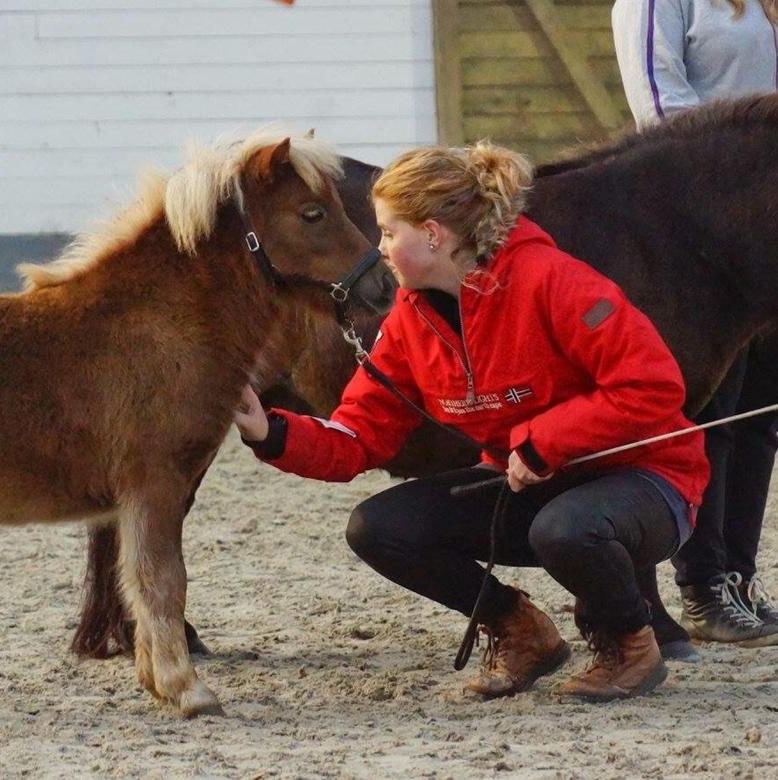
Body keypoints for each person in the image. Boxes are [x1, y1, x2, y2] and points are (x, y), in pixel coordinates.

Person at [233, 143, 710, 701]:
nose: (377, 248)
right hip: (534, 486)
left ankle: (630, 646)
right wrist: (269, 430)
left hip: (649, 485)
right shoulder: (409, 320)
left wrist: (543, 443)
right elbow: (358, 437)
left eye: (388, 232)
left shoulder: (552, 280)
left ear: (432, 235)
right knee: (378, 527)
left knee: (565, 528)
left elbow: (651, 386)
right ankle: (519, 629)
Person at [612, 0, 778, 645]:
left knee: (758, 419)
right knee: (713, 413)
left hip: (763, 232)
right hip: (700, 234)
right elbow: (660, 109)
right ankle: (701, 581)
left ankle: (739, 575)